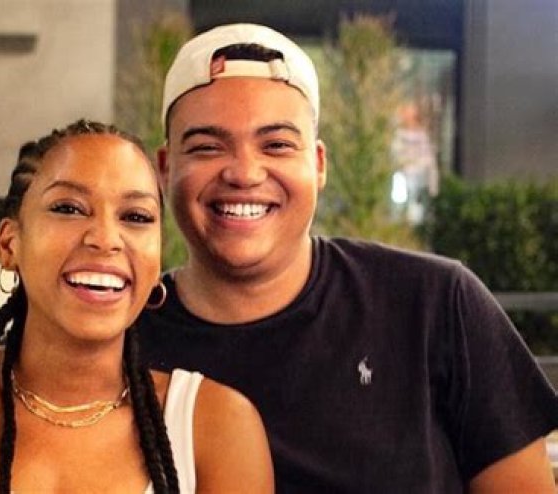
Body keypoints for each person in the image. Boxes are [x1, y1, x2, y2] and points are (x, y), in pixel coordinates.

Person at [137, 23, 558, 492]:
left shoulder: (432, 304)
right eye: (207, 147)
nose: (244, 173)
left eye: (276, 145)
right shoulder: (121, 338)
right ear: (165, 168)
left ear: (318, 164)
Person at [0, 119, 273, 493]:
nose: (105, 238)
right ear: (9, 243)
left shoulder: (215, 427)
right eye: (68, 208)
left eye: (136, 217)